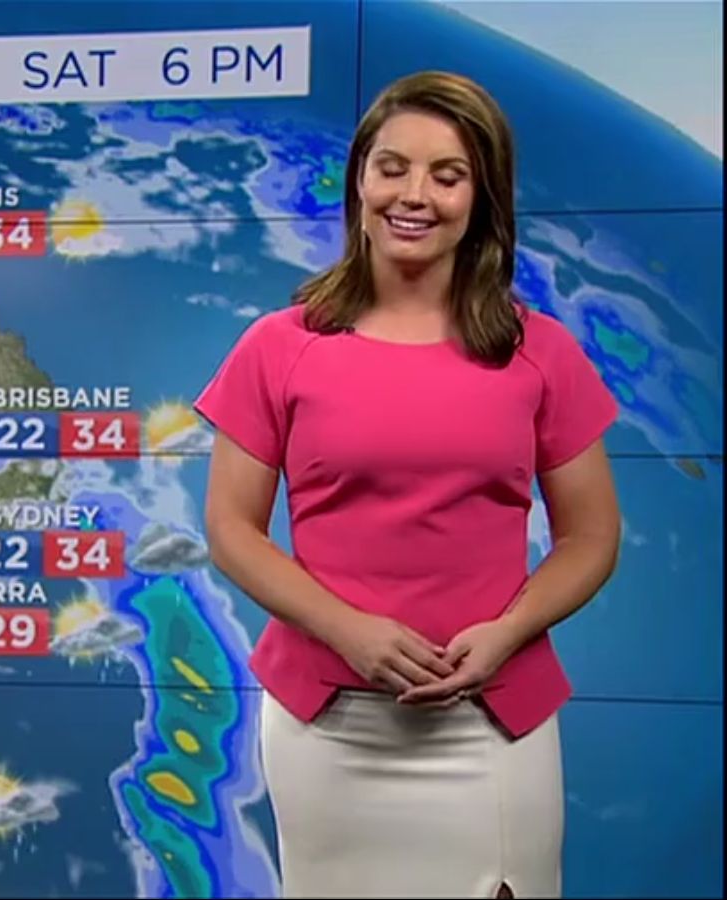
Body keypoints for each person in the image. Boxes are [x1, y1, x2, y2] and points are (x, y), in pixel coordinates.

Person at [194, 71, 622, 899]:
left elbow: (592, 536)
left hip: (492, 721)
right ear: (360, 180)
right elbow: (232, 530)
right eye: (392, 168)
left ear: (482, 198)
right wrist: (348, 631)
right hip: (327, 729)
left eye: (447, 176)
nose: (414, 195)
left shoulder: (540, 352)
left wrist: (506, 634)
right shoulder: (279, 347)